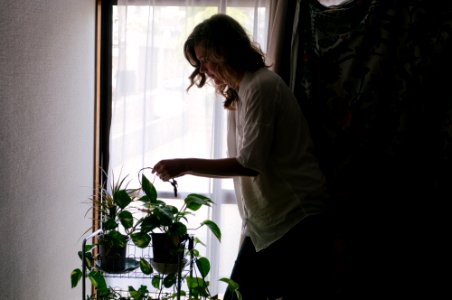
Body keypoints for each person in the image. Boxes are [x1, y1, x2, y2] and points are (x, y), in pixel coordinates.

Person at [152, 14, 333, 300]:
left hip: (296, 220)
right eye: (199, 62)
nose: (205, 69)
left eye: (206, 59)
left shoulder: (261, 86)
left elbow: (250, 163)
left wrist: (184, 165)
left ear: (225, 52)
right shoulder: (242, 92)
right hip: (271, 224)